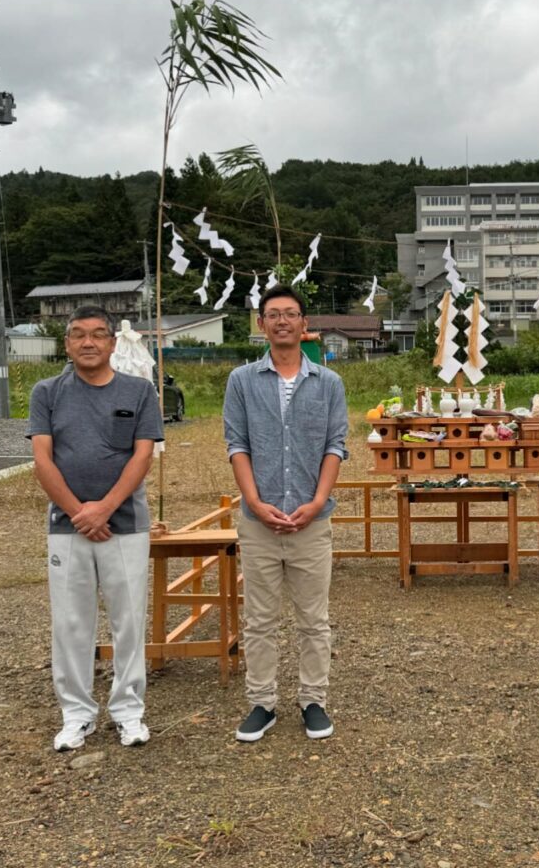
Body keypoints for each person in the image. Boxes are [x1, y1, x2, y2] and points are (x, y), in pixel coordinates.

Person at [28, 306, 163, 751]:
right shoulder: (47, 393)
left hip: (125, 524)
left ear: (111, 344)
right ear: (65, 344)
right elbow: (43, 459)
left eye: (98, 335)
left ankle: (128, 711)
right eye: (78, 335)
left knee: (129, 619)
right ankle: (76, 714)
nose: (88, 342)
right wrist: (78, 512)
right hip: (66, 527)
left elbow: (142, 456)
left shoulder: (140, 391)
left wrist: (104, 509)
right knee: (70, 622)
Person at [223, 285, 348, 742]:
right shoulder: (241, 381)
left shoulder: (328, 383)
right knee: (259, 618)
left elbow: (336, 446)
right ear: (261, 324)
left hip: (312, 521)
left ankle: (313, 699)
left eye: (290, 314)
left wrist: (316, 502)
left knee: (314, 617)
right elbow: (237, 444)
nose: (281, 321)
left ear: (303, 323)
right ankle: (261, 702)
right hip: (259, 520)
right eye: (272, 314)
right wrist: (254, 503)